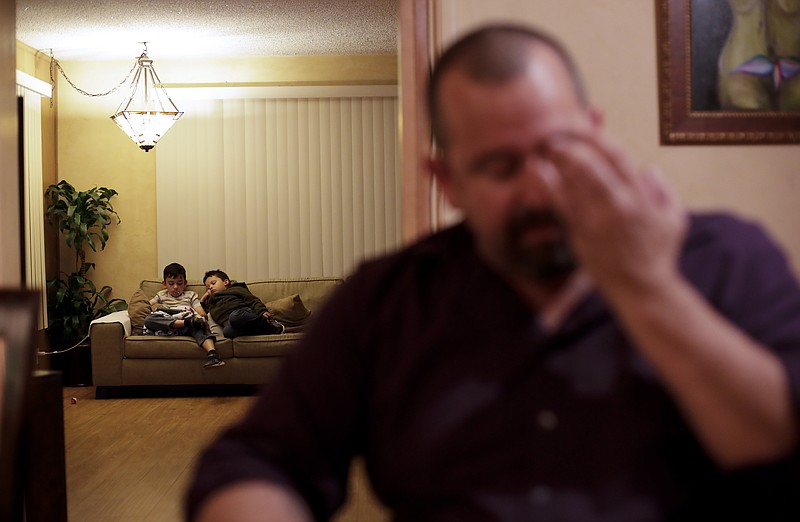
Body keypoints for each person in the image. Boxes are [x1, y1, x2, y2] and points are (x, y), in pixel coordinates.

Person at [186, 25, 800, 521]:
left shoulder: (728, 259)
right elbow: (259, 460)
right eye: (501, 167)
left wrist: (649, 288)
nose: (539, 188)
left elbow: (781, 439)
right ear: (448, 181)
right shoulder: (390, 298)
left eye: (557, 150)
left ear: (594, 133)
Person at [145, 262, 224, 368]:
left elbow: (200, 311)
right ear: (164, 284)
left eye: (179, 283)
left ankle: (212, 354)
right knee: (149, 320)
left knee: (199, 326)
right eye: (171, 283)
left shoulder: (190, 295)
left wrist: (201, 317)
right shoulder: (161, 295)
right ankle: (188, 322)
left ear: (185, 283)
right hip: (169, 319)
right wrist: (154, 307)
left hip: (187, 318)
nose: (176, 287)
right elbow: (147, 306)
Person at [200, 269, 284, 339]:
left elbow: (252, 300)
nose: (210, 287)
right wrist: (203, 300)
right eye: (208, 287)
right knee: (227, 332)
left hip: (242, 313)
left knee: (235, 316)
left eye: (213, 283)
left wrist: (262, 311)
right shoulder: (211, 302)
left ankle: (268, 322)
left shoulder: (236, 289)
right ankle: (271, 329)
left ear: (225, 282)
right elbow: (206, 313)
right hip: (233, 324)